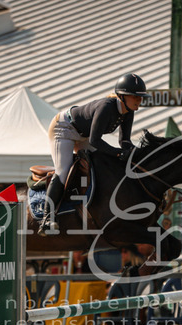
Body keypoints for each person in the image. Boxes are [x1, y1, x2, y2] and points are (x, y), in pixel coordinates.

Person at [38, 73, 152, 236]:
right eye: (135, 96)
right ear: (122, 96)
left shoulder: (128, 111)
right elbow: (95, 140)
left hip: (83, 135)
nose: (139, 100)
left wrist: (135, 153)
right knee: (63, 171)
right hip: (63, 128)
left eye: (140, 97)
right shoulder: (106, 107)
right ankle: (46, 218)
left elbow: (124, 141)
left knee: (101, 164)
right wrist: (118, 153)